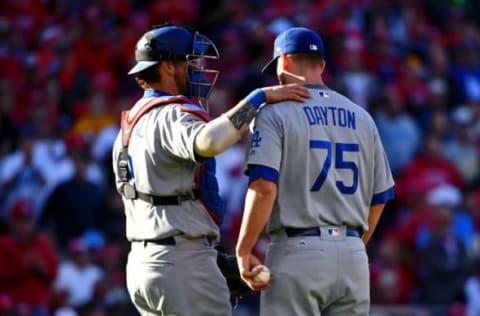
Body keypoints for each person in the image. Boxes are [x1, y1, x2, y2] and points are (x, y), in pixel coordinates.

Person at [111, 24, 309, 316]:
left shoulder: (133, 123)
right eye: (191, 62)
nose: (199, 70)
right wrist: (258, 98)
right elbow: (207, 142)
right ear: (168, 66)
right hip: (181, 262)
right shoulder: (171, 114)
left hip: (144, 265)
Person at [235, 27, 395, 316]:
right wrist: (352, 246)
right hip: (353, 256)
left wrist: (243, 249)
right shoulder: (362, 116)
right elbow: (380, 197)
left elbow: (263, 187)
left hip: (298, 251)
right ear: (321, 65)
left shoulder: (274, 112)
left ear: (282, 62)